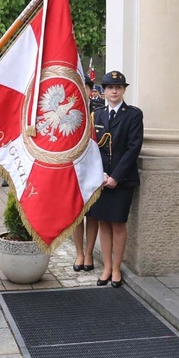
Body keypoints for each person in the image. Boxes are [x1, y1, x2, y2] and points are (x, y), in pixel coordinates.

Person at [88, 71, 143, 288]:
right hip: (101, 179)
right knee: (103, 222)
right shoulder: (98, 115)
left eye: (118, 88)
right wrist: (100, 174)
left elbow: (133, 148)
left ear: (124, 90)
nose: (114, 91)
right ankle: (107, 267)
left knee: (118, 223)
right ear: (104, 91)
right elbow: (93, 148)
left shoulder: (133, 115)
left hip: (123, 179)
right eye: (110, 87)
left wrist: (116, 177)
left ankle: (117, 267)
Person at [72, 75, 102, 271]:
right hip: (73, 171)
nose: (81, 90)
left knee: (92, 215)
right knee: (75, 215)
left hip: (94, 169)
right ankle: (79, 253)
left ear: (90, 90)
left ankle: (89, 253)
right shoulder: (70, 112)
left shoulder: (99, 112)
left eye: (85, 87)